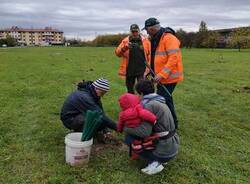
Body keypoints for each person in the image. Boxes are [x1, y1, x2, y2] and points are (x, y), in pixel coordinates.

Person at [124, 79, 179, 175]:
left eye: (138, 94)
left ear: (141, 94)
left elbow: (144, 132)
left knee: (129, 137)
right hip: (173, 145)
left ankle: (155, 162)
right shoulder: (159, 100)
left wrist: (125, 127)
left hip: (166, 149)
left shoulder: (149, 105)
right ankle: (161, 157)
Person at [142, 17, 184, 129]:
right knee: (165, 99)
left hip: (170, 77)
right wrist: (148, 71)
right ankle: (170, 123)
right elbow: (152, 58)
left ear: (152, 29)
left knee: (163, 100)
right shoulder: (155, 39)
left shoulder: (169, 38)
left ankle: (172, 124)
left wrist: (161, 75)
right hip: (161, 77)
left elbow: (173, 59)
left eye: (146, 29)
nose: (146, 32)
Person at [115, 24, 150, 94]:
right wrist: (125, 48)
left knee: (143, 89)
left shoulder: (145, 41)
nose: (134, 33)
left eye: (136, 31)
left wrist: (149, 67)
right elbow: (117, 53)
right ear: (130, 32)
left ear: (139, 31)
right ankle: (132, 103)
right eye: (133, 31)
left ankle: (143, 103)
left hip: (142, 70)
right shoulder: (125, 41)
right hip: (129, 70)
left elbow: (150, 54)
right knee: (130, 90)